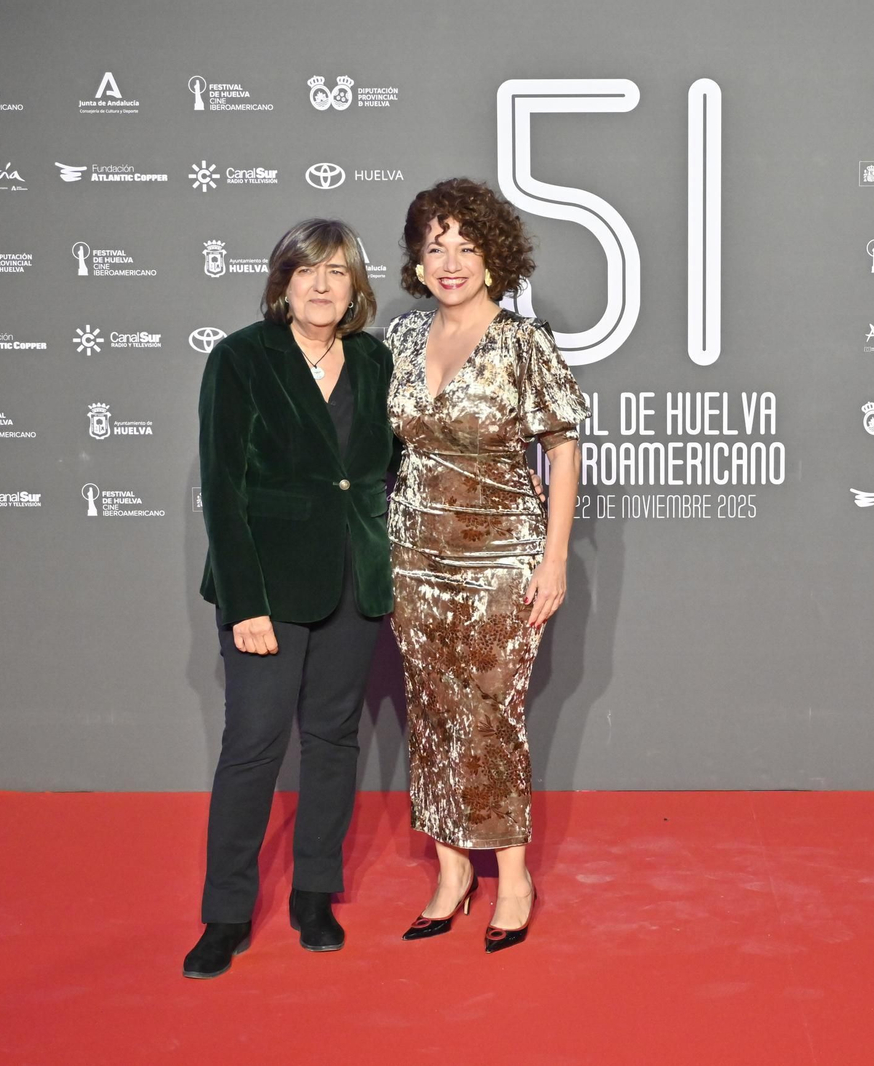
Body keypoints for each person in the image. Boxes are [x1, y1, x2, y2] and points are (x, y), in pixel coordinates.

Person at [185, 219, 395, 979]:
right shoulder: (241, 358)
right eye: (306, 270)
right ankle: (225, 912)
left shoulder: (375, 361)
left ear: (355, 287)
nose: (321, 285)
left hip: (354, 582)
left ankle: (314, 891)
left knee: (334, 740)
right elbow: (223, 489)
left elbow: (390, 467)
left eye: (337, 272)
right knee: (253, 747)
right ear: (282, 281)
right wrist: (245, 604)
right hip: (268, 588)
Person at [385, 178, 588, 953]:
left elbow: (562, 448)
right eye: (435, 247)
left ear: (493, 256)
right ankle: (450, 871)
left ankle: (513, 873)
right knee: (432, 713)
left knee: (491, 719)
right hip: (412, 557)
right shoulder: (401, 339)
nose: (450, 262)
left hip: (503, 558)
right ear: (417, 258)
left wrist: (554, 557)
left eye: (466, 247)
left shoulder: (520, 343)